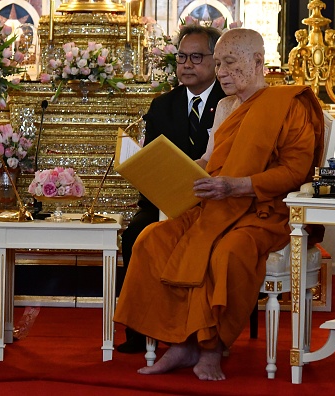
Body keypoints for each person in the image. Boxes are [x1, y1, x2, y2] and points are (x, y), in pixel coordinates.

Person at [114, 28, 324, 380]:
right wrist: (162, 168)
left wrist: (238, 186)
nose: (221, 71)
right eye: (219, 63)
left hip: (264, 213)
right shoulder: (226, 106)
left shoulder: (289, 105)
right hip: (216, 206)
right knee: (152, 238)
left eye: (229, 63)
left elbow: (294, 172)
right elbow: (210, 161)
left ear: (257, 62)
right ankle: (179, 343)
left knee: (226, 252)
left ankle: (211, 347)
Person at [118, 24, 225, 354]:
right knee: (136, 232)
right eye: (181, 56)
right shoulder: (162, 105)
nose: (187, 64)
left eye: (196, 57)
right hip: (163, 200)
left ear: (215, 61)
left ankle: (206, 332)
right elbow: (152, 161)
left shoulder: (230, 101)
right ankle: (138, 330)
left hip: (213, 202)